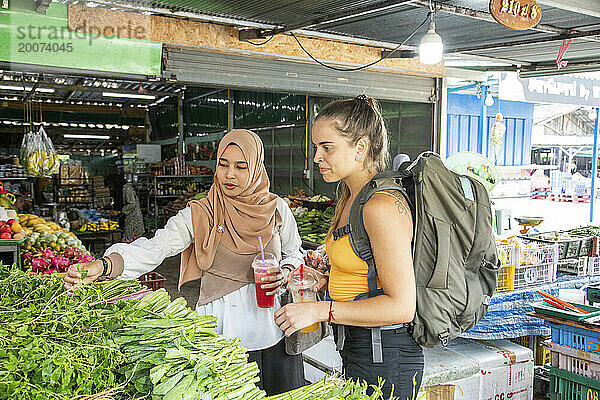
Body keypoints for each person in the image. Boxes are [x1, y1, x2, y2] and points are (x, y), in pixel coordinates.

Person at [64, 129, 305, 395]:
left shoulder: (278, 209)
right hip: (220, 333)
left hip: (270, 328)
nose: (229, 175)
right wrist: (105, 265)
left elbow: (295, 253)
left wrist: (284, 272)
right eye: (223, 165)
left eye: (240, 166)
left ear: (257, 168)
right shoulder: (201, 213)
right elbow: (155, 248)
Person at [274, 95, 423, 399]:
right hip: (358, 348)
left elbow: (402, 306)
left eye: (327, 148)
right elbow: (368, 277)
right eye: (316, 147)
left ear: (360, 147)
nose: (317, 157)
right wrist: (328, 282)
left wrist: (319, 310)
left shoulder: (380, 205)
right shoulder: (350, 196)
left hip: (386, 358)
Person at [106, 173, 144, 242]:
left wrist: (119, 212)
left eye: (112, 185)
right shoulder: (120, 190)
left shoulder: (127, 188)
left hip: (133, 221)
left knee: (131, 243)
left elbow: (132, 203)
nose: (111, 188)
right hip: (127, 220)